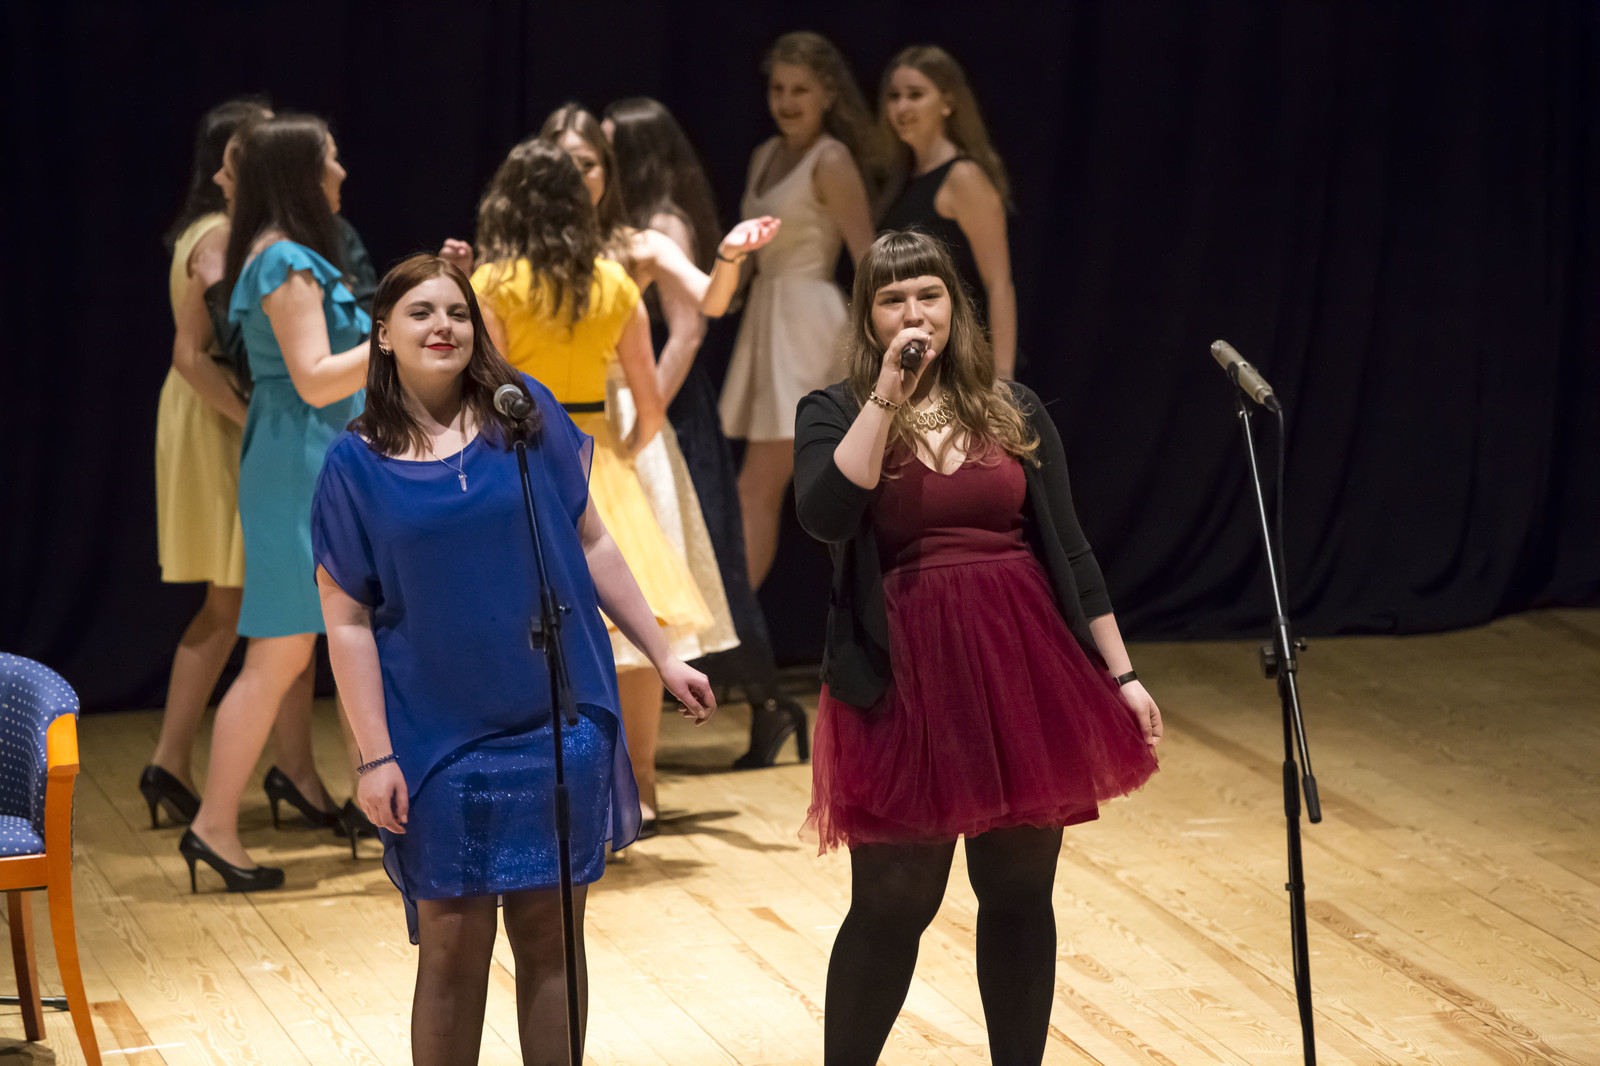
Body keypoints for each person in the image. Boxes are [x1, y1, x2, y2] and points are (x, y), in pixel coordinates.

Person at [312, 253, 715, 1063]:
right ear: (382, 335)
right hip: (438, 736)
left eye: (457, 312)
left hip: (554, 719)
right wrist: (374, 756)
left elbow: (592, 540)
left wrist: (662, 654)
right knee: (453, 946)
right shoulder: (353, 465)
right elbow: (346, 621)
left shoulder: (521, 415)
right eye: (421, 313)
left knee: (552, 937)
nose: (443, 327)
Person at [792, 231, 1162, 1064]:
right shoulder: (835, 410)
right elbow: (825, 515)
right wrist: (887, 396)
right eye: (892, 299)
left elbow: (1070, 549)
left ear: (954, 306)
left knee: (1021, 890)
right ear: (869, 318)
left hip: (1019, 664)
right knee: (894, 900)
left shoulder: (1011, 407)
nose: (913, 312)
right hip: (903, 674)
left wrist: (1123, 674)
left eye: (928, 294)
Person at [455, 136, 760, 834]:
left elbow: (487, 389)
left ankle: (543, 792)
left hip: (524, 460)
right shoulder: (613, 282)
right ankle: (642, 787)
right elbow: (650, 406)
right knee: (637, 635)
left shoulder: (494, 284)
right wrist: (618, 455)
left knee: (530, 630)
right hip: (600, 462)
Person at [178, 113, 370, 891]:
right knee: (279, 655)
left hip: (310, 461)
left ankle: (374, 804)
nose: (342, 172)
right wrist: (395, 337)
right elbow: (316, 377)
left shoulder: (288, 255)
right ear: (302, 173)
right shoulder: (284, 260)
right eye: (331, 160)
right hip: (299, 468)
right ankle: (213, 825)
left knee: (325, 643)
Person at [603, 95, 810, 768]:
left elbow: (688, 330)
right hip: (645, 396)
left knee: (699, 557)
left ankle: (767, 703)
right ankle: (762, 706)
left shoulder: (661, 220)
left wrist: (647, 412)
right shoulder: (627, 223)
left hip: (665, 400)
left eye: (608, 146)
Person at [142, 98, 269, 828]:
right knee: (230, 602)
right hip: (214, 410)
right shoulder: (217, 235)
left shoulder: (214, 229)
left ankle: (174, 762)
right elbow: (191, 355)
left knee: (235, 602)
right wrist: (253, 419)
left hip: (211, 406)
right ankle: (169, 760)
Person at [720, 30, 877, 592]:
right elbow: (749, 252)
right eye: (778, 88)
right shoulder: (764, 155)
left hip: (808, 325)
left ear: (828, 94)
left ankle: (734, 628)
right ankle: (739, 627)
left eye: (800, 90)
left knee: (763, 488)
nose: (786, 101)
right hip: (767, 318)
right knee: (770, 489)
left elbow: (868, 257)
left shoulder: (830, 159)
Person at [878, 44, 1018, 378]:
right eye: (894, 96)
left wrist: (1003, 379)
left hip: (960, 360)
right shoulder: (899, 180)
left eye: (915, 95)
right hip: (914, 359)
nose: (901, 106)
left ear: (947, 102)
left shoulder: (963, 177)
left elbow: (999, 285)